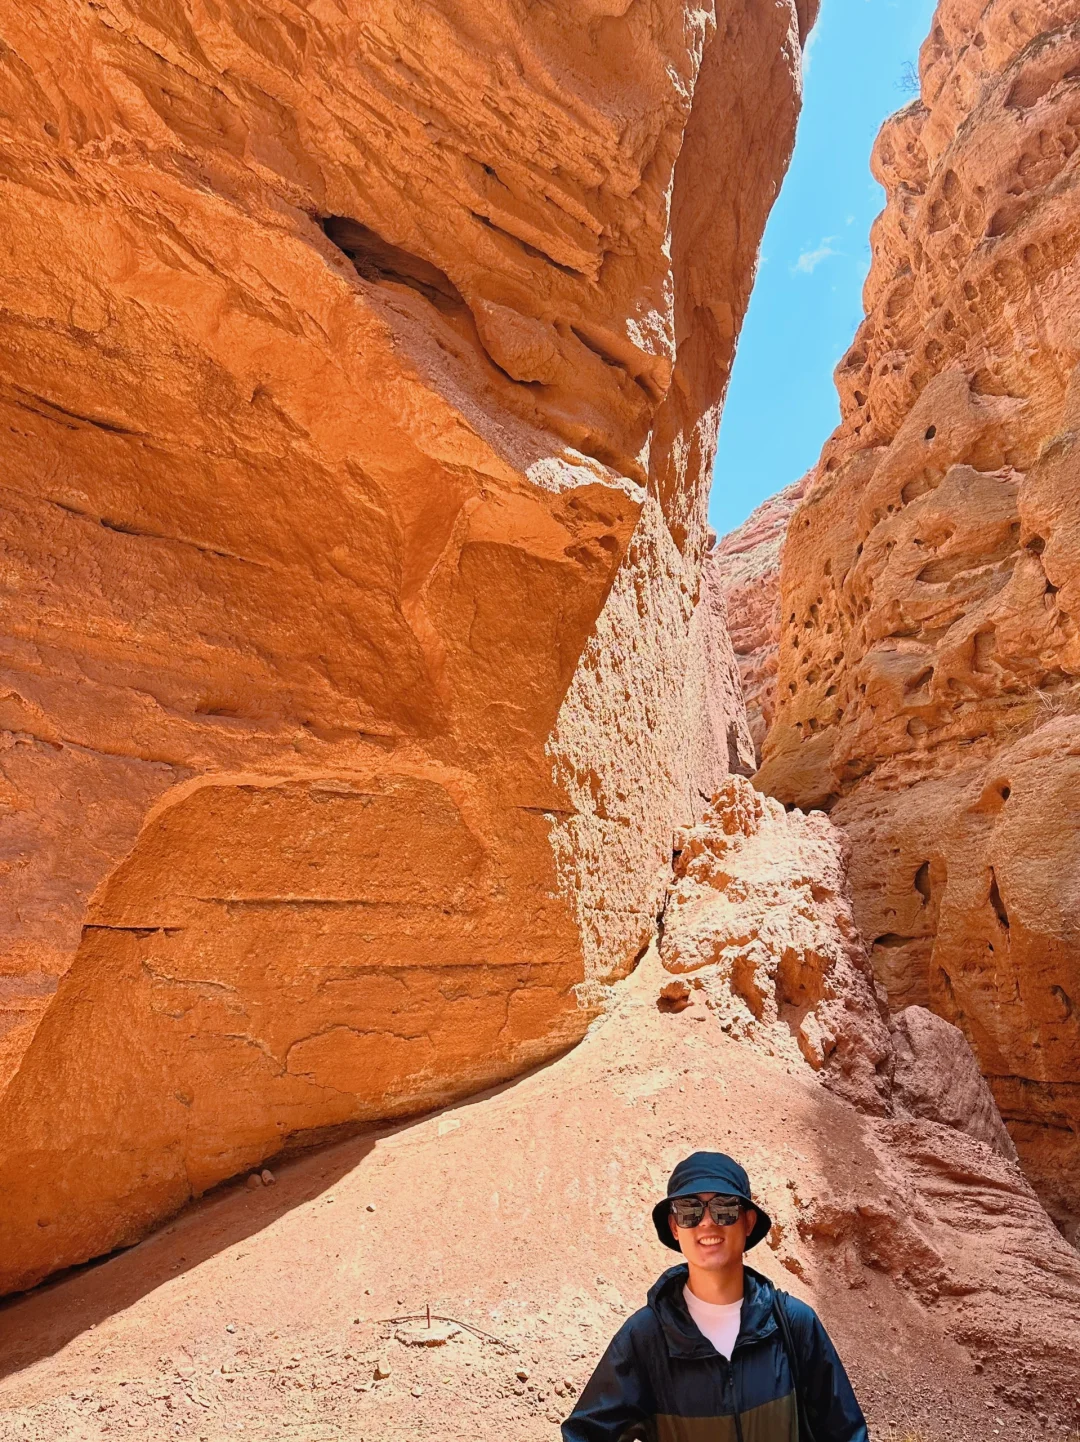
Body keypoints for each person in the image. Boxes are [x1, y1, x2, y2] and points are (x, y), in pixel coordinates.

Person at [562, 1151, 868, 1441]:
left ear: (748, 1222)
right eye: (689, 1210)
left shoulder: (793, 1324)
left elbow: (845, 1433)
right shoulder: (646, 1337)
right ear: (674, 1227)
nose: (706, 1222)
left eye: (724, 1207)